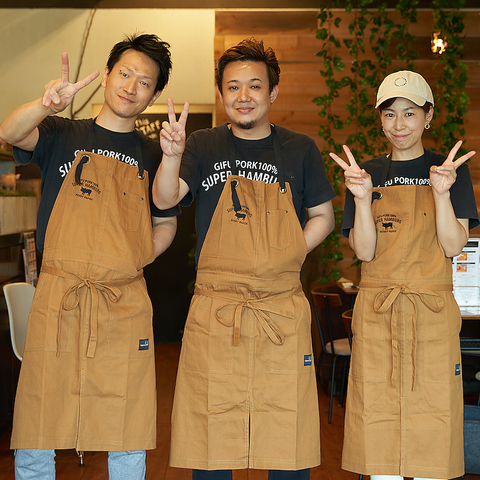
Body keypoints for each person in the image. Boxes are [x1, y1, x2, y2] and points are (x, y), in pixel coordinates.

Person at [153, 38, 335, 480]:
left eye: (255, 85)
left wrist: (286, 253)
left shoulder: (300, 149)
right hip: (217, 310)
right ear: (221, 94)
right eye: (233, 87)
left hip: (279, 307)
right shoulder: (202, 144)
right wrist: (171, 158)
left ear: (273, 92)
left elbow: (324, 217)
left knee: (285, 435)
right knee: (212, 436)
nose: (243, 96)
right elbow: (165, 199)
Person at [0, 33, 180, 480]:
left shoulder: (155, 154)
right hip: (59, 296)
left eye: (144, 82)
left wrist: (138, 257)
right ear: (106, 75)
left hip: (123, 301)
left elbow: (166, 220)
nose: (131, 87)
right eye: (125, 74)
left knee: (126, 423)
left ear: (154, 95)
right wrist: (45, 105)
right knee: (40, 417)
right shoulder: (62, 133)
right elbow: (10, 132)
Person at [331, 70, 479, 480]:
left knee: (433, 420)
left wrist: (442, 194)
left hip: (431, 313)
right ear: (380, 119)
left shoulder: (447, 170)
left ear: (428, 116)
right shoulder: (365, 174)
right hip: (379, 314)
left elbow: (453, 245)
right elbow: (364, 251)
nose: (399, 124)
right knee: (378, 419)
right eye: (390, 114)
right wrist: (362, 199)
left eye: (410, 113)